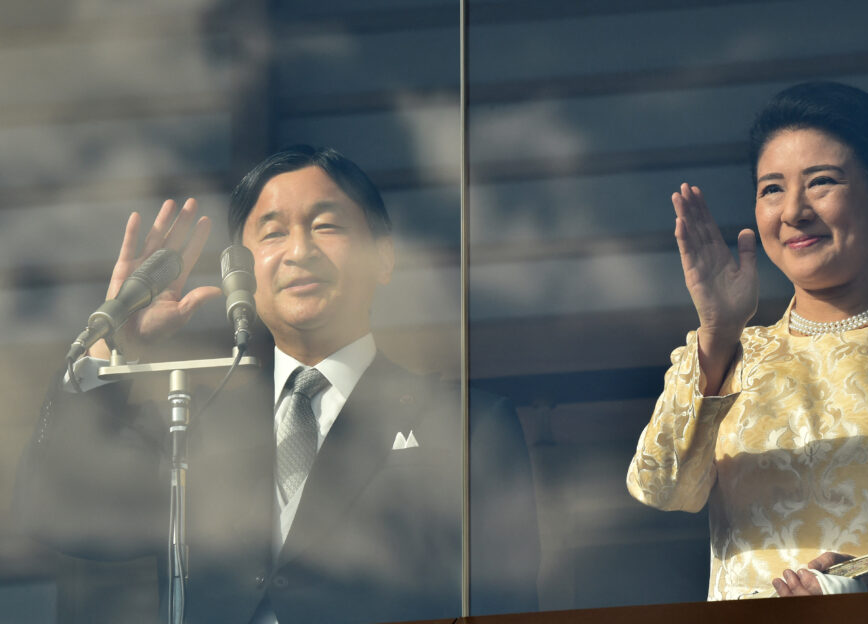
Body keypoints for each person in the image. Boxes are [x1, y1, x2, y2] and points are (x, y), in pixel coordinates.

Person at [15, 145, 539, 622]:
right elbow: (54, 511)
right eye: (272, 232)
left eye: (326, 225)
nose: (298, 251)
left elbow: (506, 604)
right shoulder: (192, 423)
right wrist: (115, 343)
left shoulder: (467, 427)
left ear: (383, 256)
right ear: (240, 272)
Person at [626, 82, 868, 600]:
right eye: (772, 189)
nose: (793, 211)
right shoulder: (725, 353)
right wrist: (718, 331)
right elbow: (662, 491)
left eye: (821, 183)